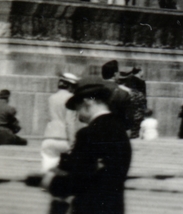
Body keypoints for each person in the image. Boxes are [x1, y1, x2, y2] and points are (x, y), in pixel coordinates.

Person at [45, 82, 131, 214]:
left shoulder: (88, 134)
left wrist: (49, 181)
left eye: (77, 108)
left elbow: (76, 179)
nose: (78, 115)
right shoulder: (120, 131)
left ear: (87, 103)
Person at [42, 72, 80, 173]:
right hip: (64, 138)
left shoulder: (51, 98)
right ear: (71, 86)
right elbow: (70, 122)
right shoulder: (71, 99)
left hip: (49, 137)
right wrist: (73, 141)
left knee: (48, 168)